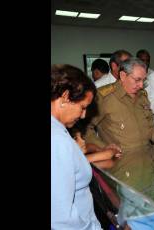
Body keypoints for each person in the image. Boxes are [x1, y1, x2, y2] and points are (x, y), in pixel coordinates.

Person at [85, 58, 154, 152]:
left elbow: (149, 126)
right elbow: (86, 128)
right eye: (137, 80)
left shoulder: (142, 96)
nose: (141, 85)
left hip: (145, 158)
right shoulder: (104, 97)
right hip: (119, 161)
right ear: (123, 75)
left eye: (143, 80)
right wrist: (102, 147)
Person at [51, 64, 102, 229]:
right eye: (83, 107)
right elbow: (61, 219)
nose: (84, 115)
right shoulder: (56, 139)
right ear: (65, 96)